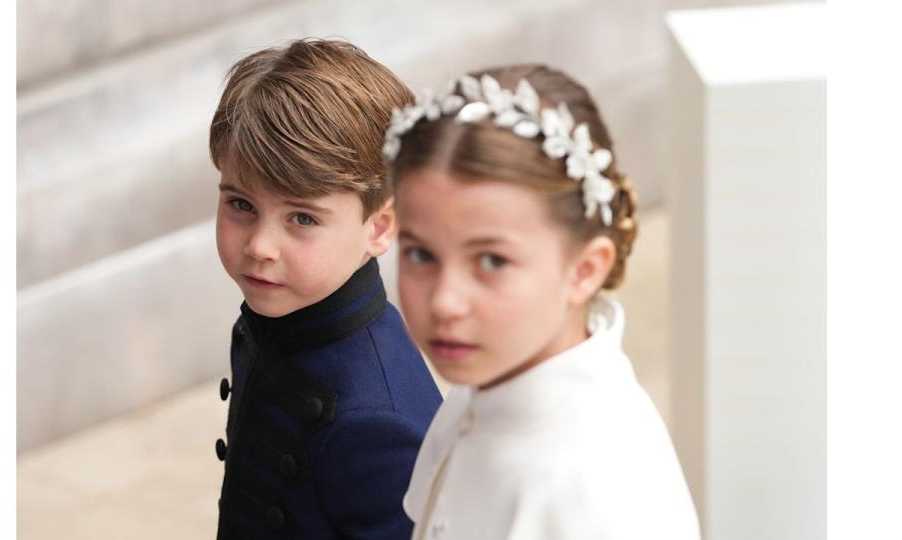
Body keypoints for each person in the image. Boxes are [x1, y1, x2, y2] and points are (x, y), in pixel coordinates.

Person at [386, 64, 700, 539]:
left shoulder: (600, 495)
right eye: (420, 254)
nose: (445, 302)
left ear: (584, 270)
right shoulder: (486, 382)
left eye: (491, 261)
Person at [209, 39, 443, 539]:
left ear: (379, 228)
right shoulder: (276, 320)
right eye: (242, 205)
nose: (260, 246)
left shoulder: (377, 423)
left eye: (301, 217)